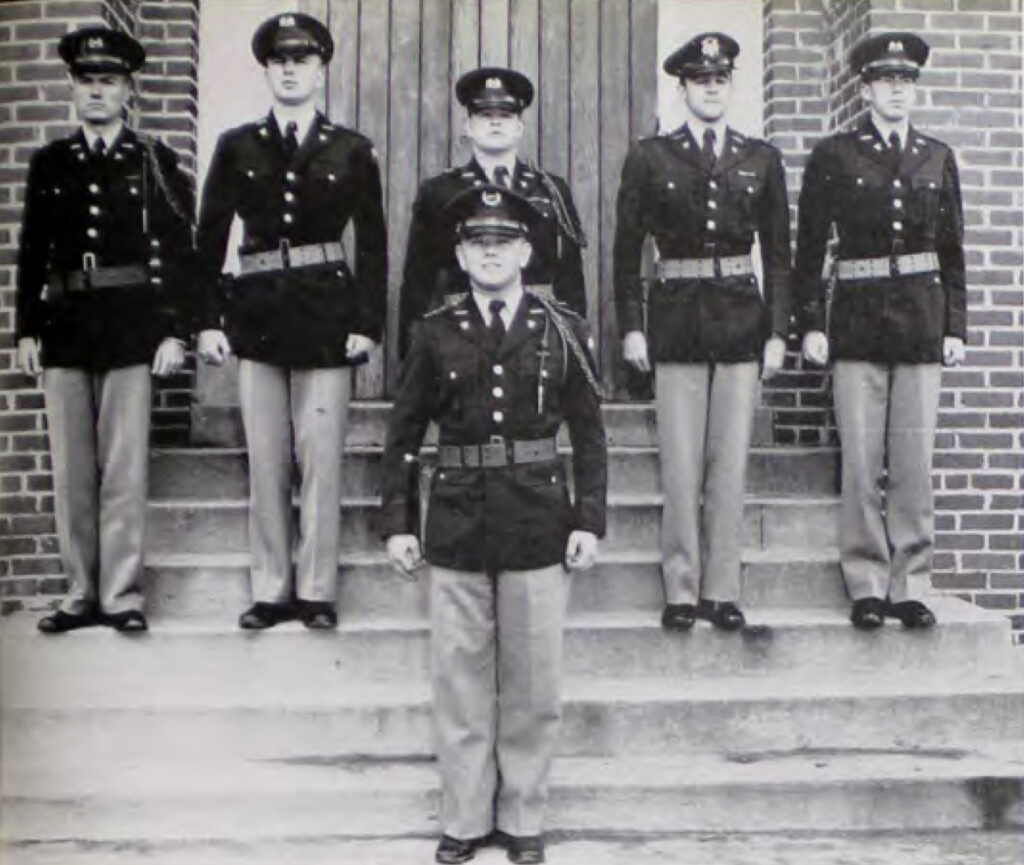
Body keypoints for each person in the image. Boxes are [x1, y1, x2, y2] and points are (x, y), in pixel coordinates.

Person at [380, 186, 607, 864]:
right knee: (461, 679)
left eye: (503, 242)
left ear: (527, 251)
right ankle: (465, 817)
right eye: (478, 243)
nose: (491, 253)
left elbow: (591, 436)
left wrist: (589, 517)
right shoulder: (435, 330)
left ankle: (524, 815)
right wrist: (398, 521)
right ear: (460, 253)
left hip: (538, 518)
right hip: (455, 520)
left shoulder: (561, 326)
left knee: (534, 682)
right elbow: (403, 433)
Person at [194, 12, 387, 631]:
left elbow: (376, 245)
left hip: (327, 321)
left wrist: (368, 323)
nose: (289, 70)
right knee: (268, 459)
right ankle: (271, 588)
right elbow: (209, 238)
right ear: (266, 70)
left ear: (320, 68)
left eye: (300, 60)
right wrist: (207, 320)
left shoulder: (352, 149)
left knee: (322, 460)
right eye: (279, 61)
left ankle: (318, 589)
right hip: (256, 319)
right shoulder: (236, 145)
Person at [15, 27, 194, 634]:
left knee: (124, 470)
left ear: (128, 91)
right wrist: (25, 330)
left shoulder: (153, 162)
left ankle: (121, 594)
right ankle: (78, 592)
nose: (97, 92)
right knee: (71, 470)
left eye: (109, 81)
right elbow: (31, 252)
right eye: (86, 81)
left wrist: (175, 333)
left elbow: (178, 253)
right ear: (72, 87)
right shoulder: (50, 163)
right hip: (64, 329)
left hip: (129, 332)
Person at [614, 33, 792, 634]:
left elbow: (780, 255)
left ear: (730, 86)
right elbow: (625, 253)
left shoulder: (760, 158)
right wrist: (632, 328)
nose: (711, 88)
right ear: (683, 87)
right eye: (700, 80)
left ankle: (723, 589)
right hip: (676, 322)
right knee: (682, 466)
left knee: (730, 464)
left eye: (720, 79)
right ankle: (682, 587)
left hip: (743, 320)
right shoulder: (651, 157)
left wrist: (777, 333)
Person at [794, 32, 966, 631]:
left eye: (907, 81)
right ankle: (867, 582)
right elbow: (809, 248)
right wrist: (811, 324)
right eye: (886, 80)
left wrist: (956, 326)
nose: (897, 90)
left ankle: (910, 581)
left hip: (921, 319)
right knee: (863, 459)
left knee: (914, 459)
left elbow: (952, 252)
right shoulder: (835, 156)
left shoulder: (937, 156)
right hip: (858, 322)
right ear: (865, 89)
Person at [397, 67, 587, 357]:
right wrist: (411, 353)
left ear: (519, 127)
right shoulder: (439, 191)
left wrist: (576, 342)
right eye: (485, 116)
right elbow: (417, 281)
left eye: (506, 116)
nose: (495, 123)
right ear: (468, 126)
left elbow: (570, 278)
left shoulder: (550, 190)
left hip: (538, 336)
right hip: (461, 334)